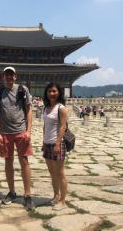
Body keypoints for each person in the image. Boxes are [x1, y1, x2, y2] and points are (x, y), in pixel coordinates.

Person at [0, 66, 35, 211]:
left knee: (24, 161)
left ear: (15, 76)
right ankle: (12, 192)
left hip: (21, 131)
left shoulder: (23, 90)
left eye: (12, 75)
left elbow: (29, 110)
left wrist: (28, 131)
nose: (9, 77)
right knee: (8, 161)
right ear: (2, 76)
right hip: (5, 132)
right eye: (7, 75)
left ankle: (27, 194)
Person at [42, 82, 68, 210]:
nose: (52, 94)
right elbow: (45, 126)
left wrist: (58, 143)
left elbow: (63, 127)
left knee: (60, 173)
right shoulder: (45, 108)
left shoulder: (61, 108)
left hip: (57, 144)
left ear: (59, 92)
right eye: (49, 91)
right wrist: (43, 141)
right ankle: (56, 196)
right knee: (52, 173)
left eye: (54, 91)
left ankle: (63, 201)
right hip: (47, 144)